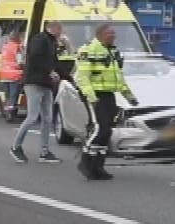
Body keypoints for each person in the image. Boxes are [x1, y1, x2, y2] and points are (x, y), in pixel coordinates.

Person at [73, 24, 136, 181]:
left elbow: (118, 77)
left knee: (107, 131)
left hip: (108, 94)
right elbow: (82, 77)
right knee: (99, 129)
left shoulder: (113, 52)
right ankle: (86, 161)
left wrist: (129, 95)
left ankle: (98, 166)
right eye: (110, 33)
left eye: (114, 33)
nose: (113, 36)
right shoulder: (88, 50)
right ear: (100, 34)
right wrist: (91, 97)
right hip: (94, 94)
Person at [10, 21, 64, 164]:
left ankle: (44, 152)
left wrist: (67, 77)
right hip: (34, 82)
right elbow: (35, 58)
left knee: (47, 118)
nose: (61, 31)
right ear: (51, 28)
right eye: (59, 28)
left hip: (46, 84)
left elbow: (55, 63)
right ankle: (15, 147)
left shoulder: (52, 42)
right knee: (32, 117)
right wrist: (49, 71)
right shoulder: (40, 39)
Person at [0, 31, 25, 121]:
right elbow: (20, 61)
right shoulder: (17, 47)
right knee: (13, 95)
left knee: (7, 96)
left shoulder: (5, 46)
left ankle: (7, 112)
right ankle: (10, 113)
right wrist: (24, 68)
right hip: (14, 75)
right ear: (17, 38)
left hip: (4, 74)